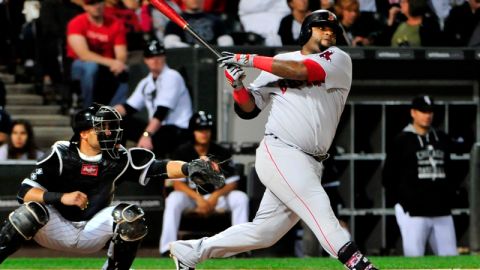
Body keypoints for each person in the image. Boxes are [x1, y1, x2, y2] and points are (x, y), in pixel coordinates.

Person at [169, 10, 378, 270]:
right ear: (306, 31)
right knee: (319, 207)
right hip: (281, 151)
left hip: (311, 160)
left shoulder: (338, 59)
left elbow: (301, 70)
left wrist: (249, 59)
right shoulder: (279, 60)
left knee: (264, 233)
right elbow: (249, 109)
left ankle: (191, 252)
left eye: (332, 30)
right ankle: (360, 265)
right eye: (321, 27)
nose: (328, 32)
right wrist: (237, 87)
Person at [0, 104, 224, 269]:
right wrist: (61, 197)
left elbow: (159, 167)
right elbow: (24, 192)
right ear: (84, 133)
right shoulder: (61, 153)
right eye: (102, 127)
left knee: (131, 217)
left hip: (92, 229)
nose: (109, 131)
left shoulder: (118, 157)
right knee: (28, 212)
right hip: (56, 225)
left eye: (110, 126)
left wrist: (189, 168)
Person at [159, 111, 249, 255]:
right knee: (173, 199)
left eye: (206, 129)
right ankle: (167, 248)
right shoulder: (182, 152)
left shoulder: (221, 152)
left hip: (217, 198)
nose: (204, 133)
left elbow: (233, 183)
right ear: (193, 132)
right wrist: (198, 199)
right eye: (199, 130)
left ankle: (241, 249)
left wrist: (215, 197)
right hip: (192, 198)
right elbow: (178, 184)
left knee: (240, 198)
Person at [382, 95, 458, 257]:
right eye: (423, 111)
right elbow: (388, 176)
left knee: (451, 260)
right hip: (413, 212)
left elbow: (452, 172)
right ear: (413, 112)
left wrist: (449, 196)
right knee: (414, 260)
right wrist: (403, 202)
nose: (428, 115)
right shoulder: (401, 140)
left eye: (430, 111)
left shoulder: (441, 138)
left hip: (441, 210)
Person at [115, 39, 192, 158]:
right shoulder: (146, 82)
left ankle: (149, 169)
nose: (155, 60)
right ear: (145, 60)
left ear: (164, 57)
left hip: (178, 130)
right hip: (157, 129)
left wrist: (146, 135)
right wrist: (106, 114)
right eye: (151, 57)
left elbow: (161, 112)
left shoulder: (172, 76)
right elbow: (128, 108)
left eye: (158, 55)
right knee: (121, 122)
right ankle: (118, 158)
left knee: (156, 137)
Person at [67, 0, 129, 108]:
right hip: (81, 65)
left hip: (107, 66)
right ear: (85, 7)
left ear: (104, 4)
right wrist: (112, 62)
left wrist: (119, 64)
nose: (96, 6)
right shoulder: (76, 23)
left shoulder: (115, 23)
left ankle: (112, 112)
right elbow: (83, 55)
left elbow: (121, 54)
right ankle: (88, 109)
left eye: (99, 2)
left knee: (125, 71)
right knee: (91, 67)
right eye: (91, 3)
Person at [163, 0, 233, 48]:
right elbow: (170, 43)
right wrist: (193, 50)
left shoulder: (216, 20)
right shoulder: (175, 21)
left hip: (212, 59)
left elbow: (227, 43)